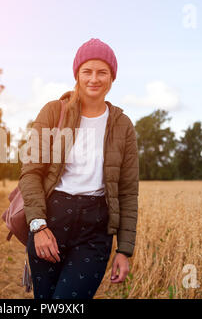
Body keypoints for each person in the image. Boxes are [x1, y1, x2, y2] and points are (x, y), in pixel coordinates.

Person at [18, 38, 139, 299]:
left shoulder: (123, 125)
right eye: (87, 71)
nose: (94, 78)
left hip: (95, 232)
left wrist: (124, 250)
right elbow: (31, 173)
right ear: (77, 75)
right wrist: (38, 227)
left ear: (112, 77)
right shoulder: (53, 112)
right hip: (51, 221)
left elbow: (128, 192)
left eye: (102, 72)